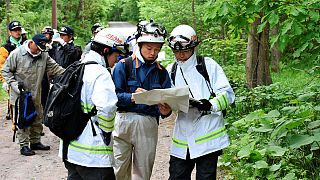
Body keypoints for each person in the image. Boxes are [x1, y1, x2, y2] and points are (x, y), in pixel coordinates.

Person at [166, 25, 235, 180]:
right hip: (183, 136)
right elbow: (168, 98)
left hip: (208, 135)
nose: (181, 55)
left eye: (184, 51)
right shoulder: (171, 69)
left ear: (193, 47)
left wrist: (210, 104)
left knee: (205, 177)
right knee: (177, 176)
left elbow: (228, 94)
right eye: (177, 52)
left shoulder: (208, 65)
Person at [60, 28, 129, 180]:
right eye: (116, 56)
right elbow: (107, 107)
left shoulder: (77, 66)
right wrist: (106, 132)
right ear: (106, 51)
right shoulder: (101, 73)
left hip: (70, 150)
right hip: (93, 154)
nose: (116, 61)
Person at [112, 20, 172, 180]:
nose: (153, 52)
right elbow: (112, 98)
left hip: (148, 124)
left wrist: (166, 110)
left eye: (157, 49)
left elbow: (168, 102)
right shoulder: (123, 66)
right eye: (149, 48)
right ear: (139, 45)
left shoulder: (162, 73)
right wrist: (132, 97)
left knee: (142, 173)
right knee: (118, 170)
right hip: (123, 122)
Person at [1, 34, 65, 156]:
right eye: (39, 48)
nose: (40, 51)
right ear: (32, 43)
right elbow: (5, 70)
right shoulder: (17, 54)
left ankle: (35, 141)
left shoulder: (44, 55)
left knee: (37, 117)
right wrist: (14, 84)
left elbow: (56, 68)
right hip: (20, 95)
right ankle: (24, 145)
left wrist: (70, 73)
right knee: (23, 119)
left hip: (36, 93)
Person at [0, 21, 26, 121]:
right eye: (14, 30)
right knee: (14, 102)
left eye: (19, 30)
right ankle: (15, 124)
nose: (17, 32)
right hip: (12, 78)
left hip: (27, 77)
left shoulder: (26, 44)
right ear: (10, 32)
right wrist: (4, 80)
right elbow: (2, 65)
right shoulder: (5, 48)